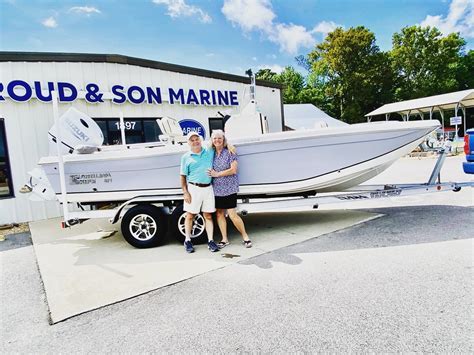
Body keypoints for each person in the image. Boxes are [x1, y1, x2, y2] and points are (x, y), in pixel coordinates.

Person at [208, 130, 252, 248]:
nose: (217, 140)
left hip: (229, 188)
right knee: (219, 214)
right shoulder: (210, 153)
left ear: (223, 139)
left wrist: (217, 174)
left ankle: (245, 237)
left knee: (232, 214)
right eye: (215, 138)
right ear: (212, 141)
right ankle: (224, 239)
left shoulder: (230, 152)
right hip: (216, 189)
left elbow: (233, 170)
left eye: (219, 138)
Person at [180, 131, 219, 253]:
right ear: (188, 143)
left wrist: (231, 146)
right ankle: (187, 240)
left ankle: (211, 241)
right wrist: (185, 192)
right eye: (192, 140)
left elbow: (219, 144)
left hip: (208, 188)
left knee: (208, 215)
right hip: (193, 189)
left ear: (200, 140)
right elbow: (182, 176)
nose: (195, 141)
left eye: (197, 139)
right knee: (190, 215)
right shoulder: (186, 157)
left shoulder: (209, 151)